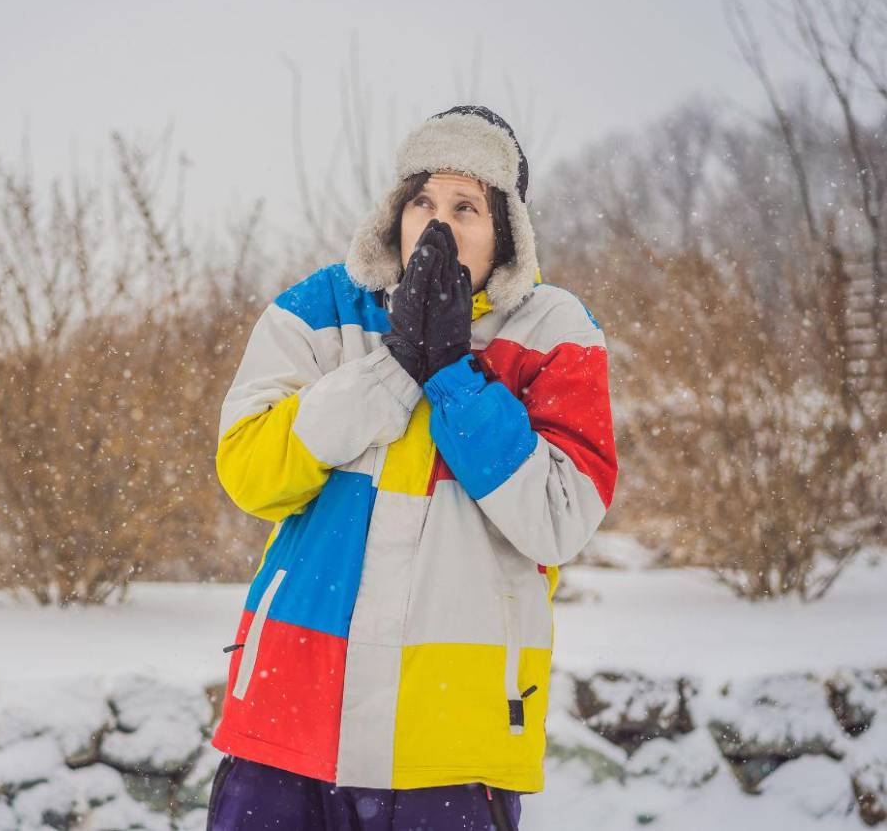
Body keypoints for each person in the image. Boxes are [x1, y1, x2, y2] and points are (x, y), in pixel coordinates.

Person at [206, 105, 619, 830]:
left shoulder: (554, 331)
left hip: (449, 744)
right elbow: (249, 472)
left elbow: (559, 520)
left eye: (467, 206)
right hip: (290, 716)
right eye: (423, 200)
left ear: (507, 231)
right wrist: (395, 367)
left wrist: (454, 377)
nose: (438, 224)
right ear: (395, 211)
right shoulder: (322, 308)